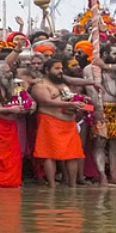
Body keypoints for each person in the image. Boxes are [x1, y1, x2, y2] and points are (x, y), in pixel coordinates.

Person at [30, 59, 86, 187]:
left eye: (61, 68)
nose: (60, 71)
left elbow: (71, 99)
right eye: (56, 68)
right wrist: (69, 103)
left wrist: (79, 104)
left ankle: (72, 186)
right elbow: (45, 102)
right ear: (47, 70)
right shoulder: (41, 85)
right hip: (50, 121)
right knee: (48, 154)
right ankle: (52, 186)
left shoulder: (64, 85)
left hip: (69, 123)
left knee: (73, 155)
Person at [85, 44, 116, 186]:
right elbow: (91, 90)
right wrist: (98, 110)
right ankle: (102, 175)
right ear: (104, 54)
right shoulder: (90, 69)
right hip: (101, 109)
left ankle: (114, 175)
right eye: (114, 52)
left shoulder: (115, 67)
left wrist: (107, 66)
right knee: (100, 143)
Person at [0, 61, 31, 188]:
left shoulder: (9, 86)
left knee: (13, 157)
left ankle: (12, 183)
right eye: (6, 72)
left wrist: (27, 106)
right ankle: (0, 184)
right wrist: (8, 110)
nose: (10, 74)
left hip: (10, 125)